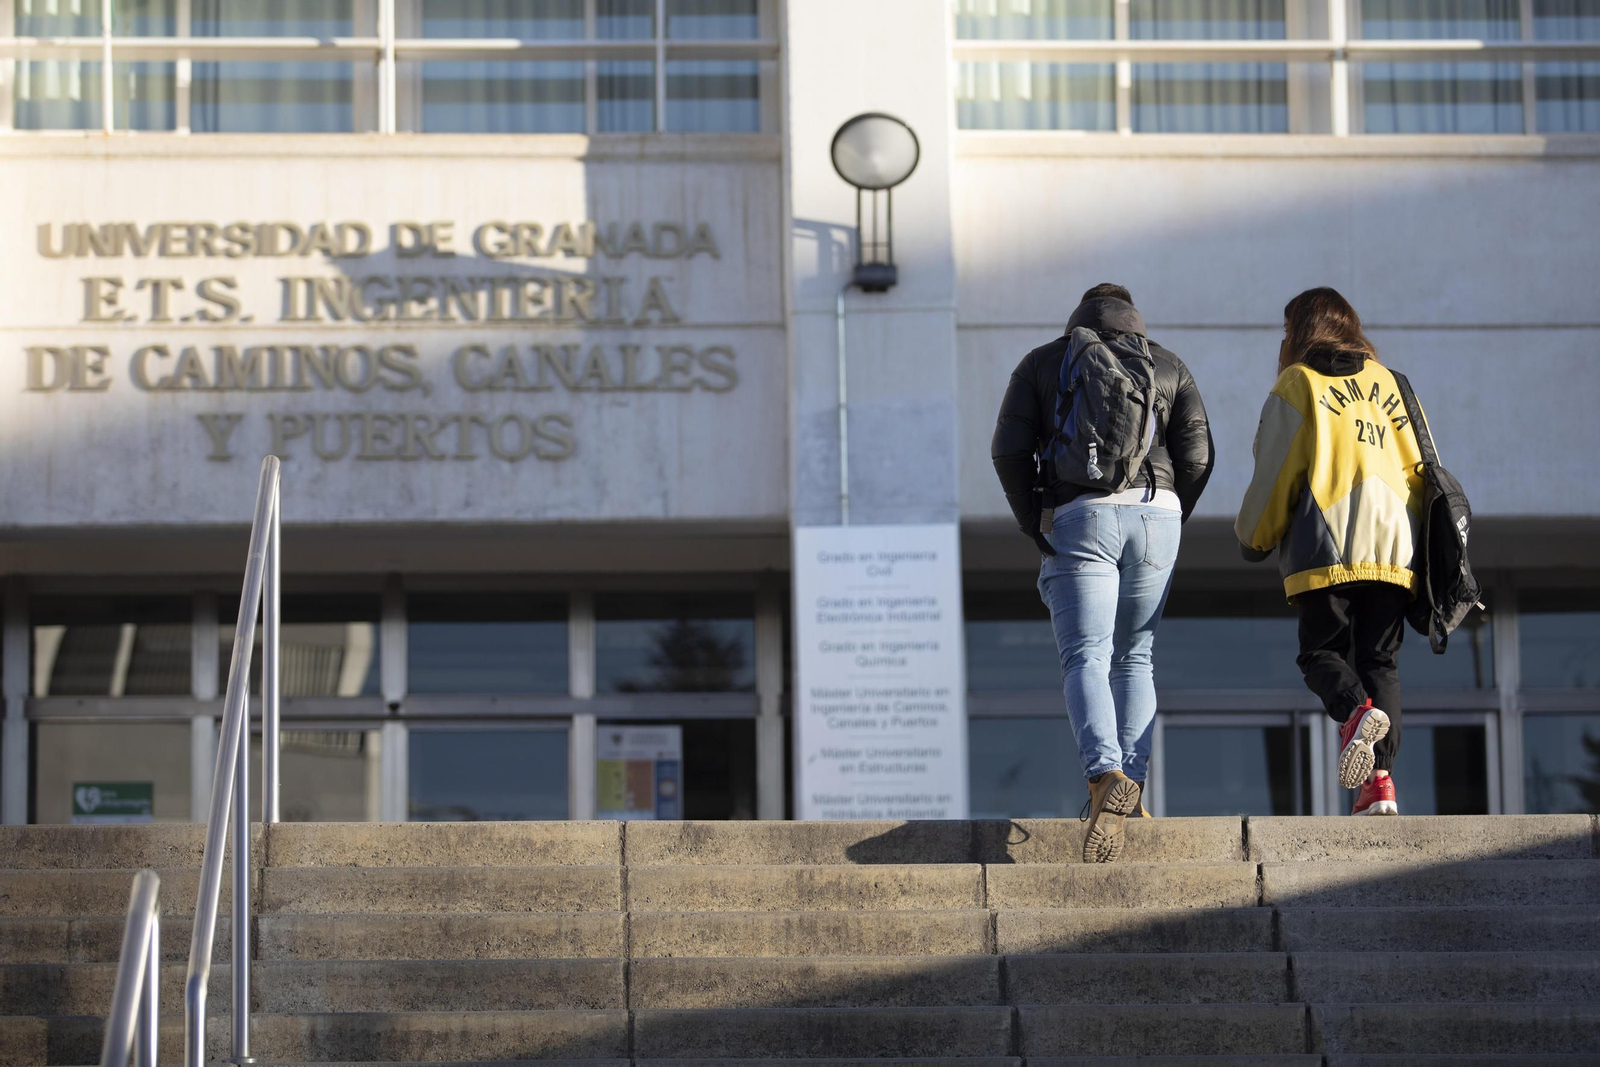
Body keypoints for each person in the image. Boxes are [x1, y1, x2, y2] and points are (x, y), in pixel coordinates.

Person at [992, 283, 1214, 862]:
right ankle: (1132, 794)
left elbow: (1008, 450)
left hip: (1081, 513)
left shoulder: (1045, 362)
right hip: (1157, 513)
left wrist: (1033, 522)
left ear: (1079, 315)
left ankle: (1102, 777)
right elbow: (1197, 455)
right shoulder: (1167, 363)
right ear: (1134, 315)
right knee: (1135, 656)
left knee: (1086, 656)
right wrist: (1170, 512)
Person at [1235, 287, 1428, 816]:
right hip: (1393, 549)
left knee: (1321, 654)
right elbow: (1420, 470)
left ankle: (1354, 711)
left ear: (1301, 330)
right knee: (1379, 661)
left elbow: (1277, 474)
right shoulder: (1391, 384)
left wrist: (1254, 535)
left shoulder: (1299, 383)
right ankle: (1380, 787)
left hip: (1329, 542)